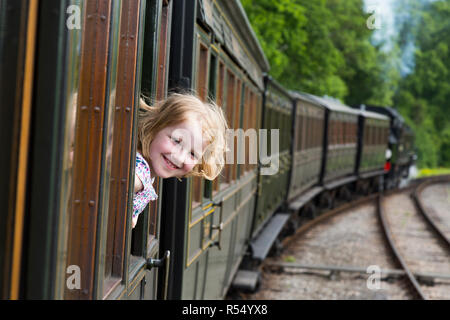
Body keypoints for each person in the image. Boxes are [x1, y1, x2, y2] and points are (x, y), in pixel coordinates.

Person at [132, 92, 228, 228]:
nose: (179, 157)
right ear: (155, 127)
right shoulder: (140, 169)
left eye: (192, 154)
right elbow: (126, 180)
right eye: (176, 141)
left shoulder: (148, 173)